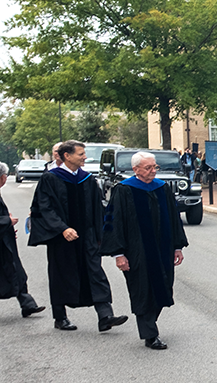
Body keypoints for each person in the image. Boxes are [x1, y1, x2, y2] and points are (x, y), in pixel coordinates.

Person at [28, 141, 129, 332]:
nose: (84, 157)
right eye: (81, 154)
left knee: (95, 272)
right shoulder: (50, 178)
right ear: (67, 156)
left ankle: (105, 316)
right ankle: (60, 317)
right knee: (61, 274)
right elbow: (44, 208)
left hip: (87, 236)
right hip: (61, 238)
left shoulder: (87, 179)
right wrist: (62, 228)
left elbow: (98, 209)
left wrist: (101, 235)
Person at [100, 151, 188, 349]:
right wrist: (118, 254)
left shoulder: (162, 188)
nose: (153, 171)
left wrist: (177, 246)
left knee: (164, 286)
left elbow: (174, 218)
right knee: (142, 290)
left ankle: (150, 324)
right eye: (148, 168)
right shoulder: (123, 190)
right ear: (136, 169)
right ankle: (150, 334)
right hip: (137, 251)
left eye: (155, 167)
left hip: (163, 250)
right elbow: (114, 221)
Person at [0, 161, 46, 318]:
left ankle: (27, 304)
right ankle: (27, 303)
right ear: (4, 178)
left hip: (2, 240)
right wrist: (7, 222)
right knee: (9, 271)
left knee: (17, 272)